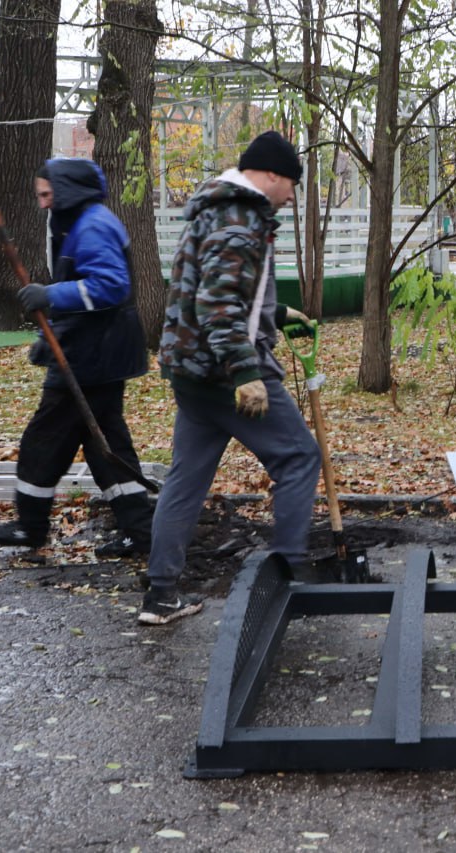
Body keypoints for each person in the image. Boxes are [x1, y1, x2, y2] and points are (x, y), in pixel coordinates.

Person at [140, 130, 320, 625]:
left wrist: (276, 313)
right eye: (291, 184)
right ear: (271, 176)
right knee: (300, 456)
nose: (291, 195)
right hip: (224, 372)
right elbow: (218, 305)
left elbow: (218, 288)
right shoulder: (241, 219)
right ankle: (288, 579)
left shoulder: (218, 211)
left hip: (192, 370)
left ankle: (161, 595)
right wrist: (246, 372)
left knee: (186, 479)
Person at [0, 158, 153, 557]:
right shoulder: (80, 220)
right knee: (104, 443)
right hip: (96, 350)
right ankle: (138, 531)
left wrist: (50, 296)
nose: (42, 204)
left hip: (94, 355)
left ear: (68, 190)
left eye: (47, 195)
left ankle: (31, 527)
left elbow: (110, 286)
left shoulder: (91, 226)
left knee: (46, 438)